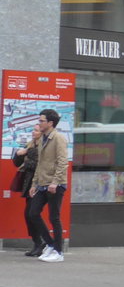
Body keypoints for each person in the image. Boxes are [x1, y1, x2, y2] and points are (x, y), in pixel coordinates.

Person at [29, 109, 69, 262]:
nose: (39, 123)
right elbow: (40, 163)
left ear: (50, 123)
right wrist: (34, 183)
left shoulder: (58, 138)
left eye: (41, 121)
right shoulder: (43, 138)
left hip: (55, 184)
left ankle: (58, 252)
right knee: (33, 213)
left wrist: (55, 182)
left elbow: (62, 162)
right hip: (42, 183)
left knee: (54, 217)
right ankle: (51, 244)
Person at [12, 122, 46, 256]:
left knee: (31, 214)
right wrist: (20, 154)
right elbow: (16, 163)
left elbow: (38, 164)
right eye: (33, 130)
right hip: (28, 185)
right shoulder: (31, 145)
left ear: (42, 133)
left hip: (38, 184)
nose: (33, 132)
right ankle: (38, 243)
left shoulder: (43, 146)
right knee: (29, 214)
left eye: (36, 130)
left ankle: (43, 242)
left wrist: (26, 154)